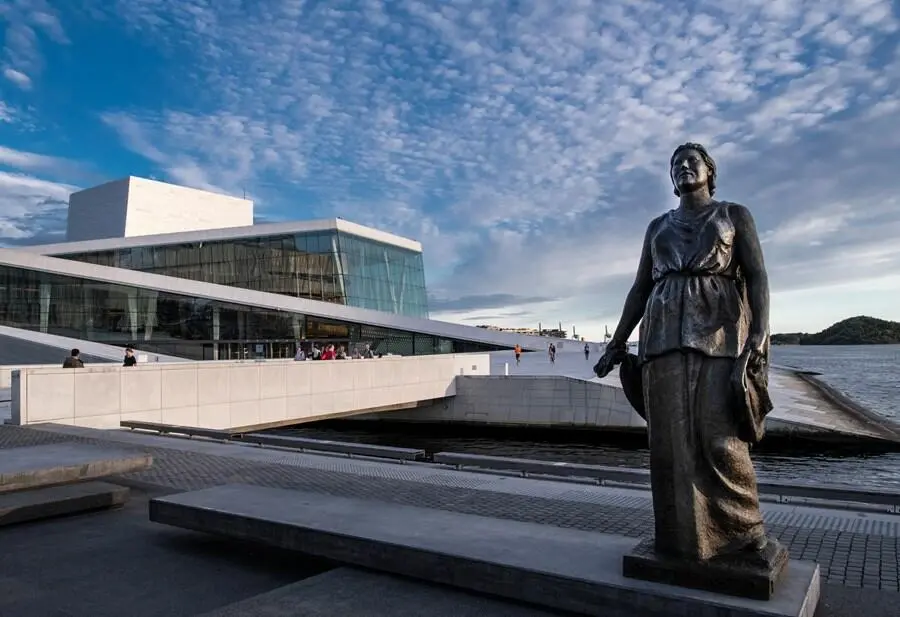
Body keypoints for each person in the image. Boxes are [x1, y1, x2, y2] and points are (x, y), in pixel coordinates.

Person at [593, 142, 779, 566]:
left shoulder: (734, 215)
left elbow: (757, 274)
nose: (682, 167)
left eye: (691, 161)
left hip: (718, 336)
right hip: (661, 338)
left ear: (710, 170)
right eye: (675, 164)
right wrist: (617, 341)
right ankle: (679, 540)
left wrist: (761, 334)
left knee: (720, 438)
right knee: (669, 443)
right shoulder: (657, 225)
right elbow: (640, 287)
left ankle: (743, 529)